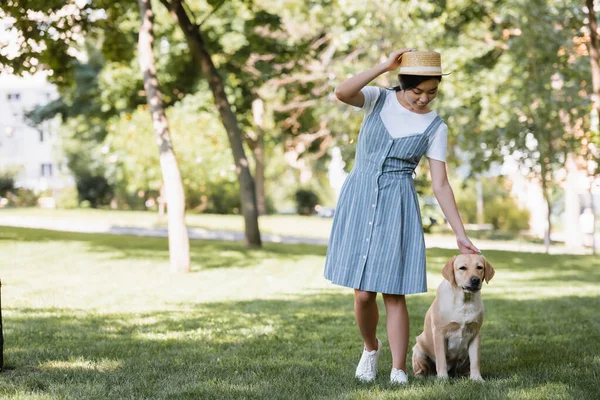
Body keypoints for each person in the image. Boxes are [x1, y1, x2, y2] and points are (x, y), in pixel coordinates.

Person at [323, 49, 480, 385]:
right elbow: (342, 92)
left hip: (398, 203)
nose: (424, 99)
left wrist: (460, 232)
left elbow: (440, 184)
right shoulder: (378, 99)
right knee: (363, 293)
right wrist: (383, 66)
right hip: (360, 196)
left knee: (394, 293)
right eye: (417, 91)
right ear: (402, 84)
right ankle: (370, 348)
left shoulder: (436, 127)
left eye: (432, 92)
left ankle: (398, 369)